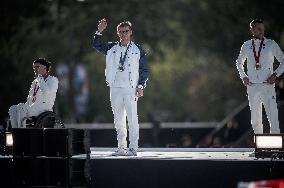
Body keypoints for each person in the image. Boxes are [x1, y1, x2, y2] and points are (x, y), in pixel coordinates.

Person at [93, 19, 149, 156]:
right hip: (115, 87)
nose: (124, 34)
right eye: (121, 32)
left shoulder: (138, 49)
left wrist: (141, 85)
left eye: (126, 31)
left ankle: (133, 147)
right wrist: (99, 31)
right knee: (118, 119)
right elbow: (97, 45)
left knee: (132, 118)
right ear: (117, 33)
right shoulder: (112, 47)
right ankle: (121, 147)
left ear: (131, 32)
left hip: (131, 88)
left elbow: (144, 69)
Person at [236, 19, 284, 134]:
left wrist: (275, 74)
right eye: (258, 28)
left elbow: (283, 60)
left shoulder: (271, 44)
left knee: (272, 115)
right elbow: (239, 62)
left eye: (262, 28)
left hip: (267, 85)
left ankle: (276, 147)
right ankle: (258, 146)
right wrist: (243, 76)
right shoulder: (246, 45)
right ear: (252, 29)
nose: (261, 31)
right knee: (255, 119)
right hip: (252, 86)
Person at [8, 58, 58, 128]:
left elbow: (46, 91)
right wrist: (24, 107)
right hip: (33, 109)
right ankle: (16, 131)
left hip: (43, 110)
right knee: (13, 108)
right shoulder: (35, 82)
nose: (35, 69)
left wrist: (40, 77)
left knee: (21, 107)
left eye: (38, 67)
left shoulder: (53, 80)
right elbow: (29, 100)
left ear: (45, 68)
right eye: (34, 67)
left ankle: (21, 132)